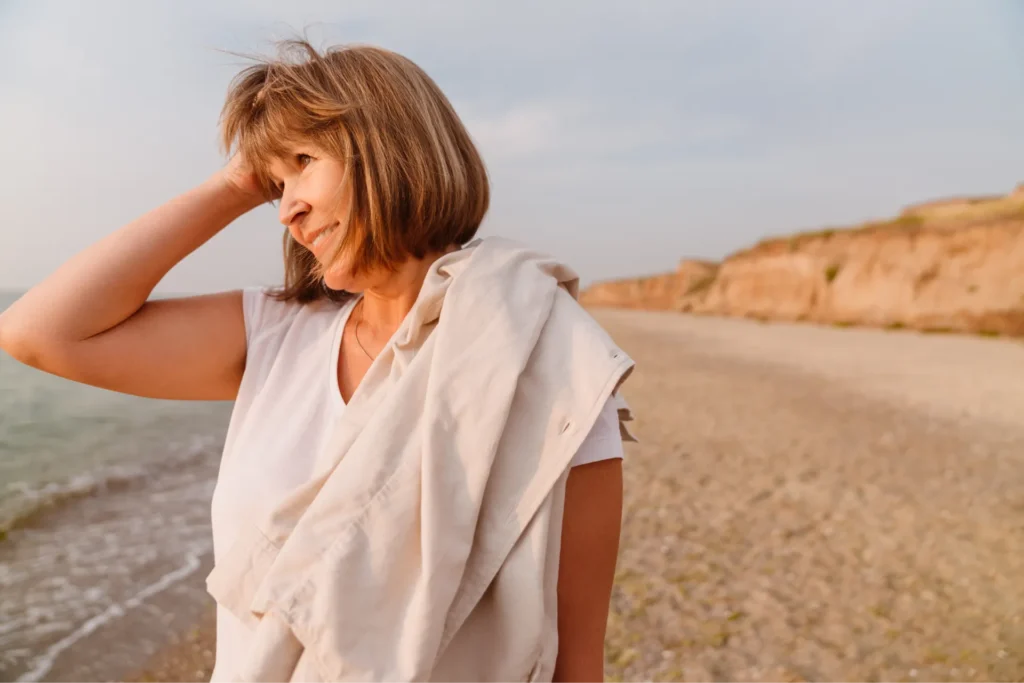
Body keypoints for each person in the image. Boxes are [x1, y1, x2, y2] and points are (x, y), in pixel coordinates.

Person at [0, 41, 634, 682]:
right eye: (273, 184)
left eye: (304, 162)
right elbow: (40, 333)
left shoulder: (546, 359)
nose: (285, 210)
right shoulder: (275, 333)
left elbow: (575, 659)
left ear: (393, 148)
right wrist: (231, 184)